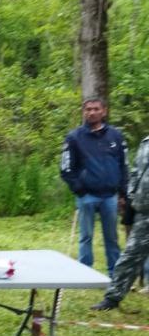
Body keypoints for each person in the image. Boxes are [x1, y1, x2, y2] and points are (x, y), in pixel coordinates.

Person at [60, 96, 128, 274]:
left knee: (112, 238)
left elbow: (124, 165)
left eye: (96, 109)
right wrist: (79, 189)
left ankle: (114, 275)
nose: (92, 112)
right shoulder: (74, 138)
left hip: (110, 196)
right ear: (84, 112)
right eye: (88, 109)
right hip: (87, 196)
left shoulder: (116, 136)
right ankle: (85, 274)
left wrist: (123, 193)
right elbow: (66, 168)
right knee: (86, 237)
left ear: (104, 111)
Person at [90, 131, 149, 311]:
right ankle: (112, 298)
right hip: (144, 210)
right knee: (131, 254)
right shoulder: (146, 142)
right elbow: (136, 172)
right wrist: (131, 196)